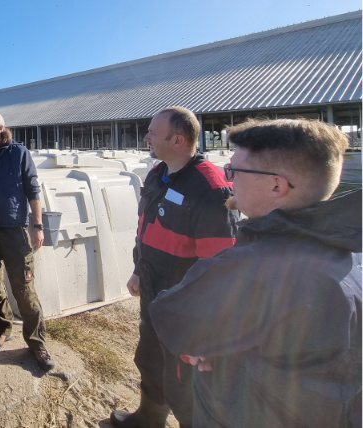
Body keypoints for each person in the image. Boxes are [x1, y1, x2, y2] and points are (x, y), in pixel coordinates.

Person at [150, 119, 362, 427]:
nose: (228, 178)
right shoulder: (351, 253)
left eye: (235, 171)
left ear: (277, 185)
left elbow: (172, 320)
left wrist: (213, 349)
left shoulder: (250, 268)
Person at [112, 106, 239, 428]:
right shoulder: (158, 173)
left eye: (153, 132)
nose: (147, 137)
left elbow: (221, 266)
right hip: (155, 289)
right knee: (150, 359)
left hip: (187, 303)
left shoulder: (211, 188)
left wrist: (210, 329)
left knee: (184, 378)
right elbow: (146, 229)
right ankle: (148, 418)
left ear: (178, 139)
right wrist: (139, 270)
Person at [0, 110, 55, 371]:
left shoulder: (19, 153)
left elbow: (33, 190)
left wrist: (37, 225)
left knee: (23, 289)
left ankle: (37, 342)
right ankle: (2, 328)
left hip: (14, 231)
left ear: (0, 128)